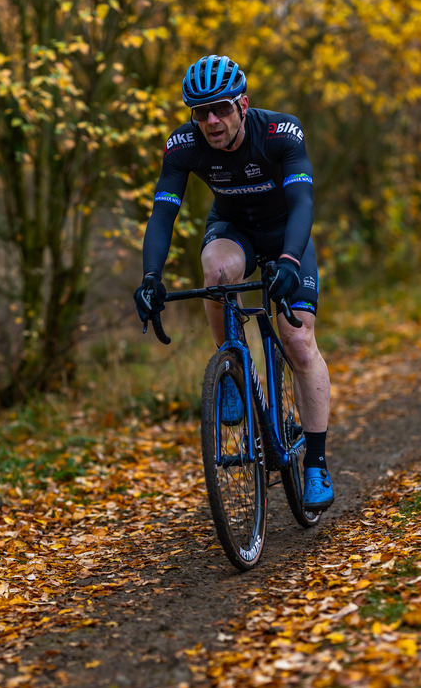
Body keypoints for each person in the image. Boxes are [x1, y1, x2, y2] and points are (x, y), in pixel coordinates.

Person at [133, 54, 334, 512]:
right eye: (199, 112)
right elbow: (163, 212)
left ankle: (317, 464)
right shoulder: (183, 144)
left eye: (220, 108)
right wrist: (150, 278)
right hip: (234, 228)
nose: (210, 120)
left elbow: (302, 200)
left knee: (298, 340)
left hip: (287, 231)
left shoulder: (279, 132)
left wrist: (286, 258)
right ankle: (231, 369)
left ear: (242, 104)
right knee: (216, 272)